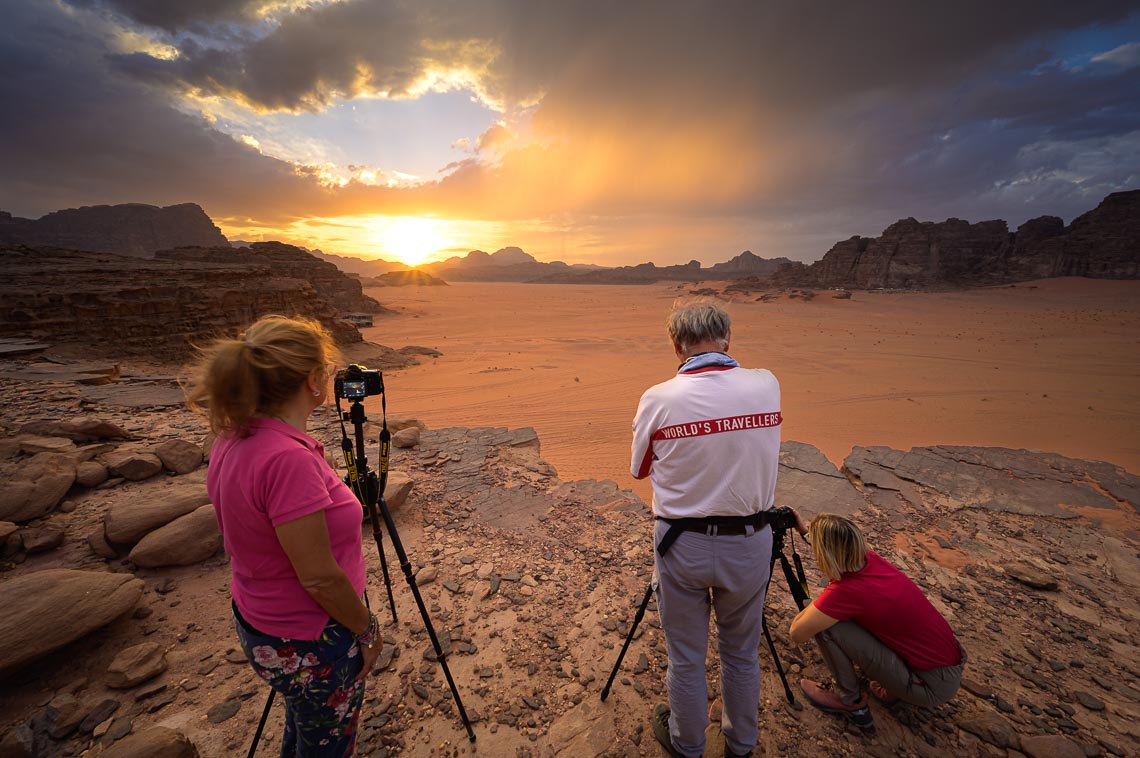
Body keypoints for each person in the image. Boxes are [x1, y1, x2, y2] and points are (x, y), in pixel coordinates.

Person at [188, 315, 382, 756]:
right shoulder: (286, 459)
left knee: (307, 723)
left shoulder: (235, 436)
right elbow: (319, 578)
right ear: (313, 380)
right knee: (328, 744)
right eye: (328, 372)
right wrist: (367, 630)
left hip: (264, 623)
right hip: (311, 636)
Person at [631, 300, 782, 758]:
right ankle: (741, 744)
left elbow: (639, 469)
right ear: (727, 339)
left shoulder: (658, 398)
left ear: (675, 345)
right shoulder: (767, 384)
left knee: (685, 657)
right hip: (751, 543)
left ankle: (688, 745)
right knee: (740, 653)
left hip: (683, 546)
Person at [788, 512, 966, 733]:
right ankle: (894, 687)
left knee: (828, 626)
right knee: (856, 617)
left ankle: (849, 702)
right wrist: (805, 531)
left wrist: (812, 609)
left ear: (827, 554)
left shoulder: (847, 592)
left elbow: (797, 633)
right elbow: (838, 547)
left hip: (930, 685)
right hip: (947, 666)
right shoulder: (871, 560)